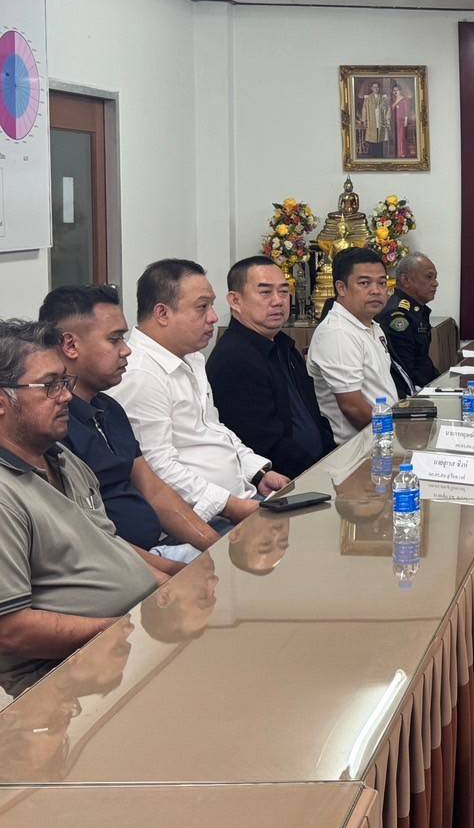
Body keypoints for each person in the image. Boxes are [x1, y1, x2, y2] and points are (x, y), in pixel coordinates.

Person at [0, 320, 161, 695]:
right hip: (66, 678)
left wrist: (173, 580)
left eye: (64, 382)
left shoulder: (61, 457)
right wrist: (122, 627)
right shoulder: (6, 494)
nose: (66, 397)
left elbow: (107, 543)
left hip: (125, 647)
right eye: (49, 386)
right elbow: (11, 630)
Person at [39, 285, 218, 564]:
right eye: (114, 340)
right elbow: (89, 536)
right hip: (113, 566)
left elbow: (154, 491)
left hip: (158, 551)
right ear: (71, 346)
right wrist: (172, 570)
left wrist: (216, 546)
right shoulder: (54, 426)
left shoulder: (110, 408)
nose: (126, 350)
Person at [111, 260, 289, 528]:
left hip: (241, 497)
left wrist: (258, 472)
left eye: (211, 305)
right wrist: (229, 506)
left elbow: (214, 430)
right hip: (204, 518)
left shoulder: (192, 357)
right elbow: (159, 469)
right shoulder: (140, 374)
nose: (214, 317)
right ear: (162, 313)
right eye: (202, 307)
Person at [206, 257, 334, 479]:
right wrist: (318, 474)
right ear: (235, 300)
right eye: (265, 292)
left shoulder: (284, 346)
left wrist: (332, 461)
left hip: (318, 470)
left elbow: (314, 416)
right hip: (280, 481)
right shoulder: (235, 358)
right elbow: (263, 442)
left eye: (283, 292)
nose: (278, 301)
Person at [308, 247, 402, 443]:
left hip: (384, 432)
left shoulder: (372, 325)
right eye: (364, 283)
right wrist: (392, 440)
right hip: (357, 447)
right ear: (341, 288)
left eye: (382, 283)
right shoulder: (338, 332)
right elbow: (353, 407)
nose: (376, 290)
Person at [378, 252, 440, 389]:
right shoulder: (398, 316)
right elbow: (407, 370)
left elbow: (422, 361)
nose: (436, 283)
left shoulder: (416, 310)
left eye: (435, 278)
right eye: (429, 277)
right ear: (406, 280)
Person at [389, 81, 416, 159]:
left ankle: (402, 153)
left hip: (402, 121)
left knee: (401, 137)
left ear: (400, 91)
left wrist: (406, 120)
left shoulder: (404, 99)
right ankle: (397, 153)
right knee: (396, 137)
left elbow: (406, 111)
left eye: (397, 90)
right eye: (394, 90)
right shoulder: (393, 100)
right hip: (394, 121)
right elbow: (391, 109)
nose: (395, 92)